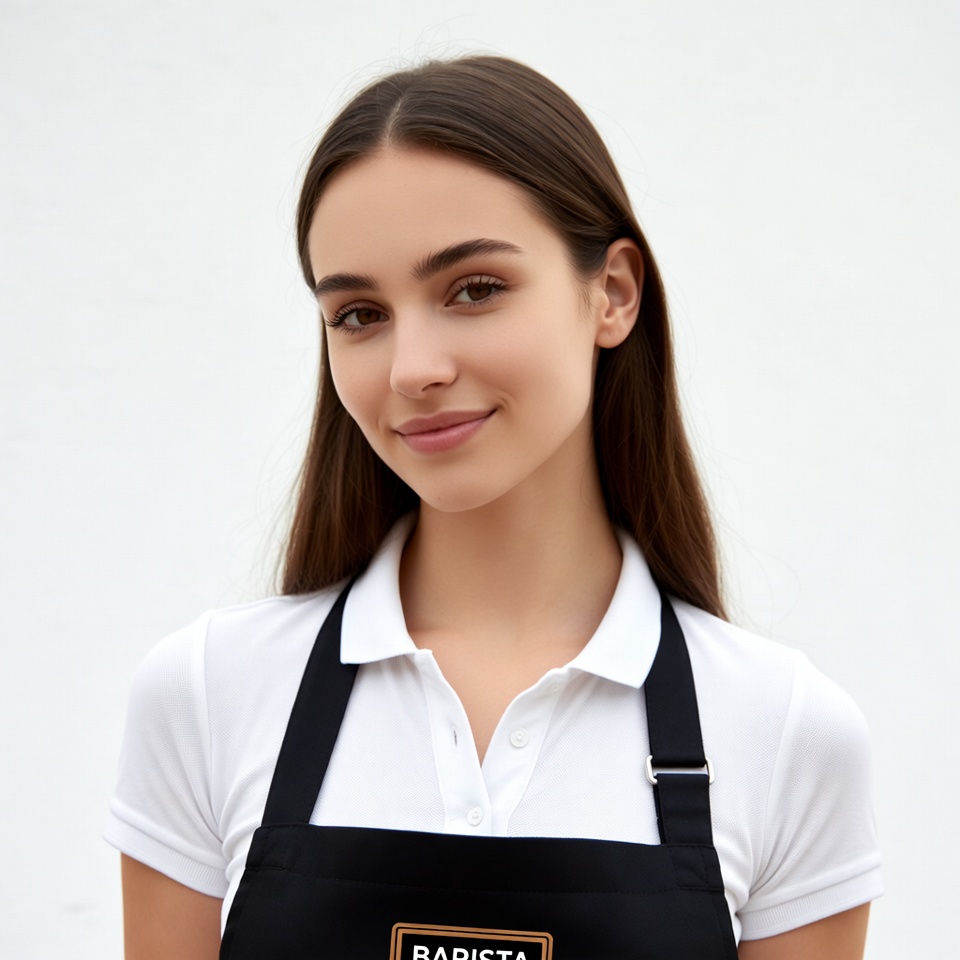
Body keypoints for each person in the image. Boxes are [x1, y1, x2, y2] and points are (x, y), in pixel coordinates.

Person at [107, 56, 882, 959]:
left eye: (473, 290)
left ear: (614, 294)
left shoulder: (785, 730)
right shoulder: (209, 693)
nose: (412, 369)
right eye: (360, 314)